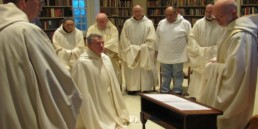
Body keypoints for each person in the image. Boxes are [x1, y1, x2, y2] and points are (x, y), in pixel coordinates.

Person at [0, 1, 82, 129]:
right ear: (23, 2)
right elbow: (56, 83)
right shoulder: (27, 31)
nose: (41, 7)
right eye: (39, 2)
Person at [198, 0, 258, 129]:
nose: (216, 20)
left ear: (234, 12)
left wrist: (211, 67)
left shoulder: (241, 35)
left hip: (234, 93)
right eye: (214, 16)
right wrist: (217, 60)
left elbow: (235, 72)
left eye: (220, 16)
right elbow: (228, 59)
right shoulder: (230, 29)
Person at [72, 34, 130, 129]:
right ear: (89, 45)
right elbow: (79, 85)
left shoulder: (105, 58)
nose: (102, 46)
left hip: (108, 93)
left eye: (103, 43)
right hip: (93, 96)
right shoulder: (82, 62)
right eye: (98, 44)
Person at [187, 4, 225, 98]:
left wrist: (211, 51)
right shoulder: (198, 23)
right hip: (200, 55)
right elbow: (192, 38)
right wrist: (199, 50)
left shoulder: (220, 24)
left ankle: (209, 96)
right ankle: (196, 95)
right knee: (198, 77)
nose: (208, 14)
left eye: (211, 12)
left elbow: (223, 41)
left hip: (213, 56)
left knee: (211, 76)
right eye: (207, 11)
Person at [120, 5, 157, 94]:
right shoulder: (128, 22)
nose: (137, 13)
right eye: (135, 11)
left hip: (145, 51)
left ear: (142, 11)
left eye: (139, 11)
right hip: (131, 52)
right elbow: (124, 38)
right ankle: (132, 89)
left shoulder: (149, 23)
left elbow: (152, 38)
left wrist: (143, 48)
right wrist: (133, 48)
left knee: (145, 70)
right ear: (132, 12)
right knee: (132, 71)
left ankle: (146, 87)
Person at [156, 6, 191, 94]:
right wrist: (156, 50)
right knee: (165, 74)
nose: (168, 17)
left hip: (178, 55)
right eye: (166, 15)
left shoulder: (185, 23)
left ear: (176, 13)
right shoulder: (161, 23)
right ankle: (165, 89)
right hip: (164, 54)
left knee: (177, 74)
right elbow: (157, 37)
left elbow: (190, 38)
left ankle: (177, 90)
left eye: (171, 15)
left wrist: (190, 52)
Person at [87, 13, 122, 86]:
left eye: (103, 21)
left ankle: (114, 89)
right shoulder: (91, 28)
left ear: (107, 20)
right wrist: (98, 49)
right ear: (96, 21)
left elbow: (114, 41)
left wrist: (103, 48)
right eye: (99, 21)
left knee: (112, 74)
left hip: (109, 55)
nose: (102, 23)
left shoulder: (113, 28)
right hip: (95, 55)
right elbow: (89, 40)